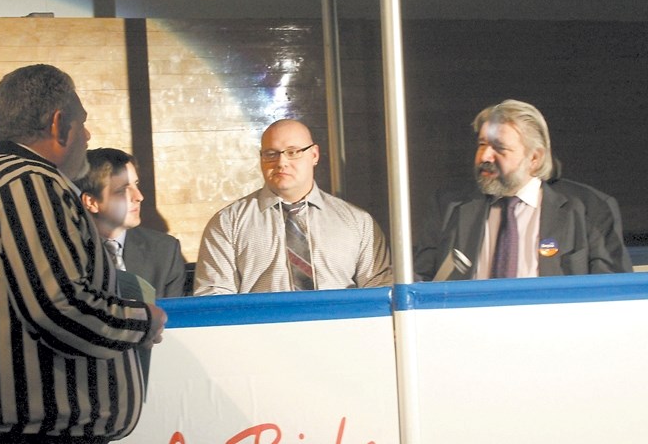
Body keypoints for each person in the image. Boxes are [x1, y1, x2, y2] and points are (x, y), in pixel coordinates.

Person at [0, 64, 167, 443]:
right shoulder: (28, 183)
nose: (88, 136)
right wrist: (143, 320)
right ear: (59, 124)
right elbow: (60, 309)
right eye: (82, 122)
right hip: (27, 434)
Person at [414, 99, 632, 281]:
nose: (485, 157)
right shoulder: (449, 206)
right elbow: (421, 280)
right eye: (482, 145)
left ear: (534, 158)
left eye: (499, 148)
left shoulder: (589, 209)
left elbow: (613, 294)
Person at [193, 118, 392, 294]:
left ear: (314, 155)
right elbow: (214, 296)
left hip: (340, 331)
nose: (281, 162)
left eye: (293, 152)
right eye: (271, 154)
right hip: (259, 333)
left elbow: (380, 290)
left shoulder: (358, 222)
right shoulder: (228, 223)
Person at [76, 148, 187, 298]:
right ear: (91, 202)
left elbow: (174, 317)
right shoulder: (66, 252)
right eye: (123, 190)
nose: (139, 197)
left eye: (136, 184)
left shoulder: (165, 251)